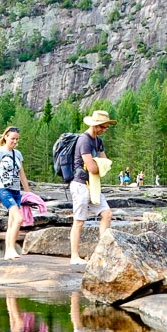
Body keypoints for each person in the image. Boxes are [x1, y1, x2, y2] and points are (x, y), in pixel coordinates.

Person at [69, 110, 116, 265]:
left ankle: (102, 252)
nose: (105, 129)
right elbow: (93, 168)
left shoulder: (98, 141)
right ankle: (74, 256)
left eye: (106, 127)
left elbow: (105, 162)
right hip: (80, 185)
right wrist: (100, 164)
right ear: (95, 125)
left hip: (93, 185)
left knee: (107, 213)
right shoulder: (84, 141)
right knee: (79, 221)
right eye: (103, 127)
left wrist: (100, 164)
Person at [0, 126, 32, 260]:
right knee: (19, 218)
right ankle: (11, 248)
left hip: (16, 191)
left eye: (17, 139)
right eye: (12, 138)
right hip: (4, 190)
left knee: (11, 223)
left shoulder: (18, 154)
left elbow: (22, 175)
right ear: (5, 137)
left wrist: (28, 193)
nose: (15, 141)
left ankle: (7, 253)